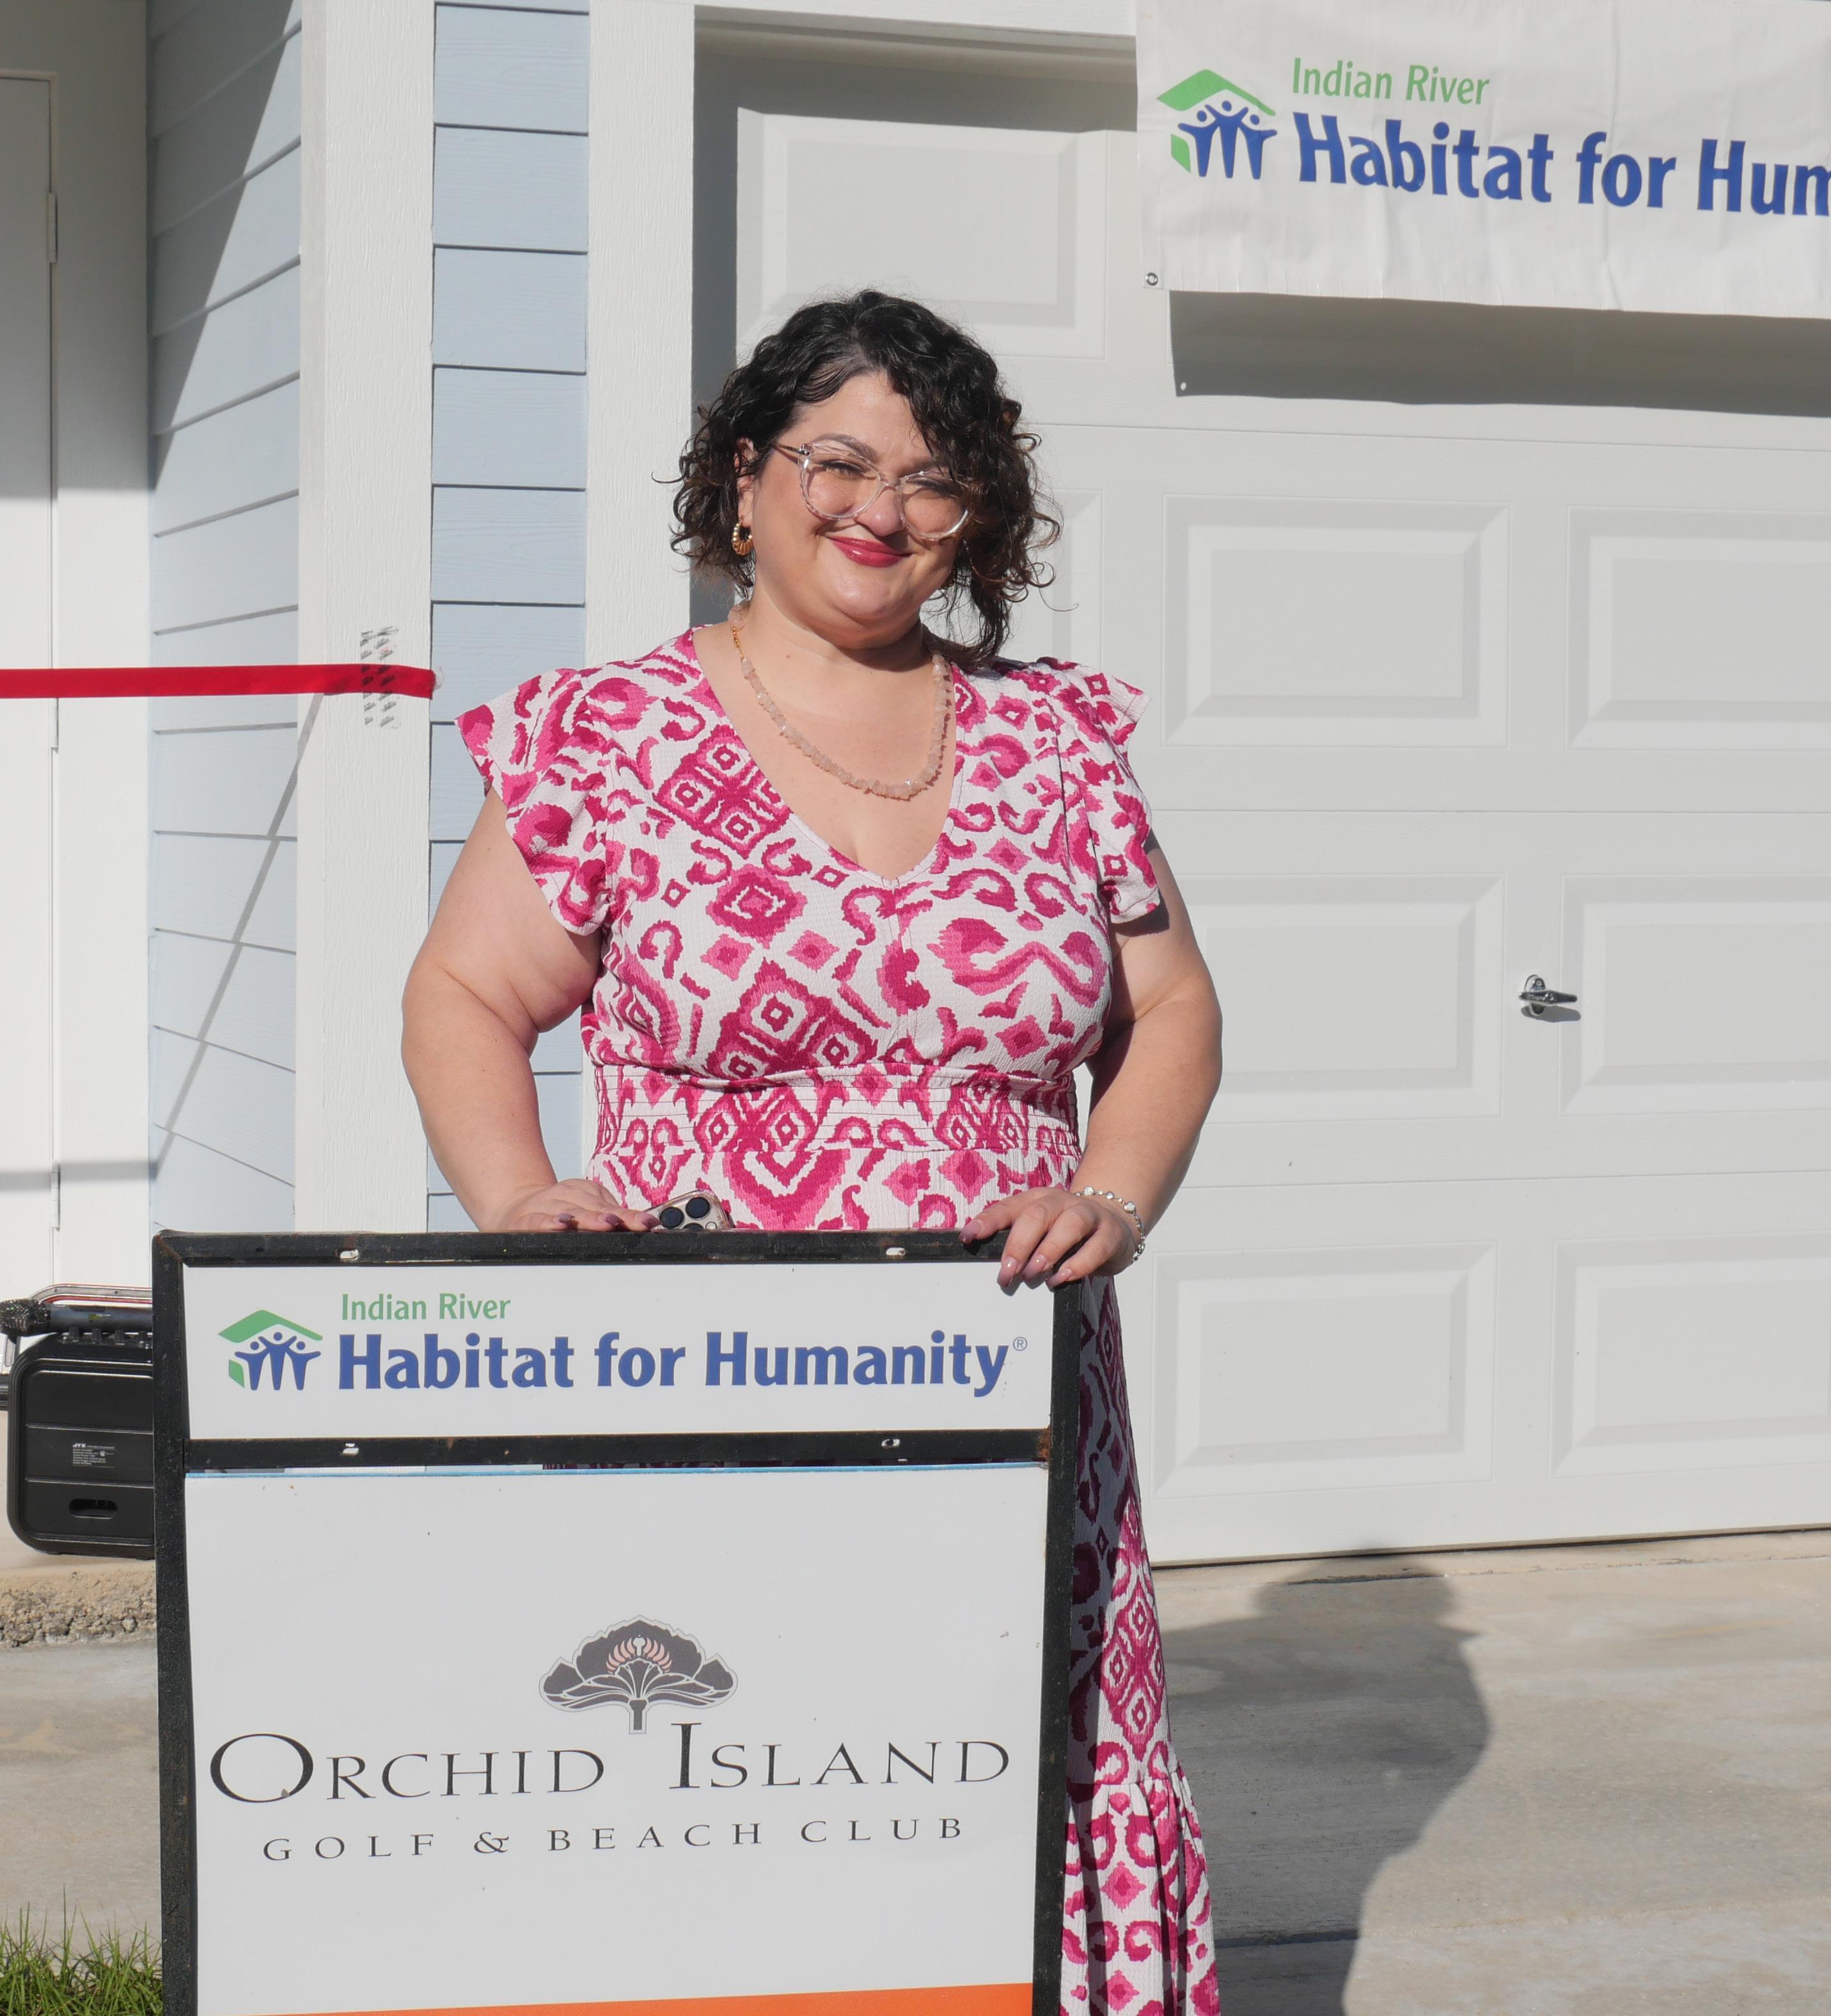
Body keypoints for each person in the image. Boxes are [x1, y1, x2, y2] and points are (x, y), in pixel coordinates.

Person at [402, 289, 1224, 2015]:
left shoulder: (1056, 743)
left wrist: (1113, 1190)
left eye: (936, 480)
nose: (883, 510)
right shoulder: (606, 734)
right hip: (710, 1379)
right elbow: (468, 993)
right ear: (743, 477)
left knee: (985, 1756)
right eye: (839, 462)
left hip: (1005, 1382)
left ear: (980, 517)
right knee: (737, 1754)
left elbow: (1170, 1011)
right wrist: (518, 1196)